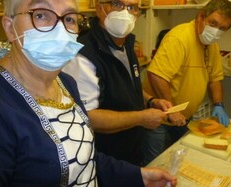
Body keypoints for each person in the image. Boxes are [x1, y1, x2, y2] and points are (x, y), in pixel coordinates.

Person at [0, 0, 178, 187]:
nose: (59, 30)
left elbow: (81, 156)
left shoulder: (66, 83)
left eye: (68, 18)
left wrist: (137, 176)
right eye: (40, 14)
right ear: (10, 28)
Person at [62, 0, 172, 166]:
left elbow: (128, 86)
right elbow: (88, 116)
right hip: (104, 157)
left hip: (130, 148)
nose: (125, 13)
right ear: (99, 9)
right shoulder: (84, 56)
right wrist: (141, 118)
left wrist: (151, 101)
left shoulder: (126, 44)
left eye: (132, 7)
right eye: (117, 4)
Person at [143, 0, 231, 149]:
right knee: (155, 164)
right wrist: (172, 110)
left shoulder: (212, 45)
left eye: (222, 28)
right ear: (200, 17)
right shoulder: (179, 38)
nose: (216, 31)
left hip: (184, 117)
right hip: (158, 118)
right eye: (213, 24)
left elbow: (215, 79)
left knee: (177, 157)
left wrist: (219, 104)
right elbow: (157, 76)